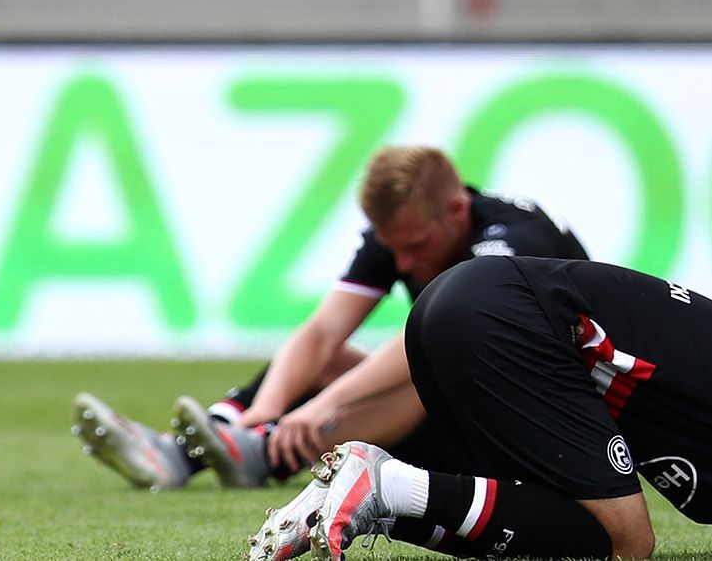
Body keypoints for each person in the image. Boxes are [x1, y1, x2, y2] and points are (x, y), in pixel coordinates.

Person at [248, 254, 712, 560]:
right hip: (503, 313)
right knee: (631, 543)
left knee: (570, 531)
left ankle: (376, 495)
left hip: (459, 314)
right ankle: (378, 481)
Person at [72, 145, 589, 490]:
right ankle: (215, 440)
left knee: (422, 373)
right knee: (330, 360)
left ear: (456, 211)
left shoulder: (514, 242)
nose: (404, 264)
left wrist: (322, 407)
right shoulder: (407, 231)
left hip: (551, 442)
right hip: (473, 415)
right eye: (395, 251)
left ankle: (261, 452)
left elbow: (426, 340)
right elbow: (322, 331)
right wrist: (272, 403)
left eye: (415, 248)